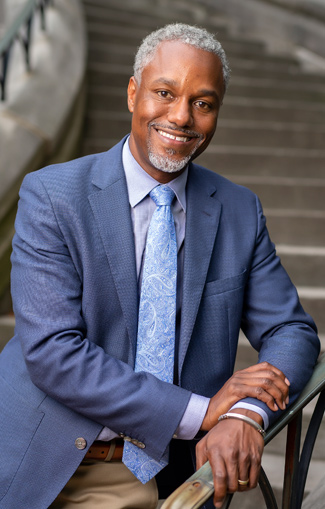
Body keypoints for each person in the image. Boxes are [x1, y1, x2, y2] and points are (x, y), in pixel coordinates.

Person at [0, 23, 320, 509]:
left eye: (203, 103)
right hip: (34, 453)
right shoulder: (52, 195)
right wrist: (202, 411)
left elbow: (292, 331)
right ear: (133, 93)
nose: (181, 117)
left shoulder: (237, 210)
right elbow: (52, 352)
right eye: (164, 92)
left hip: (154, 471)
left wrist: (246, 414)